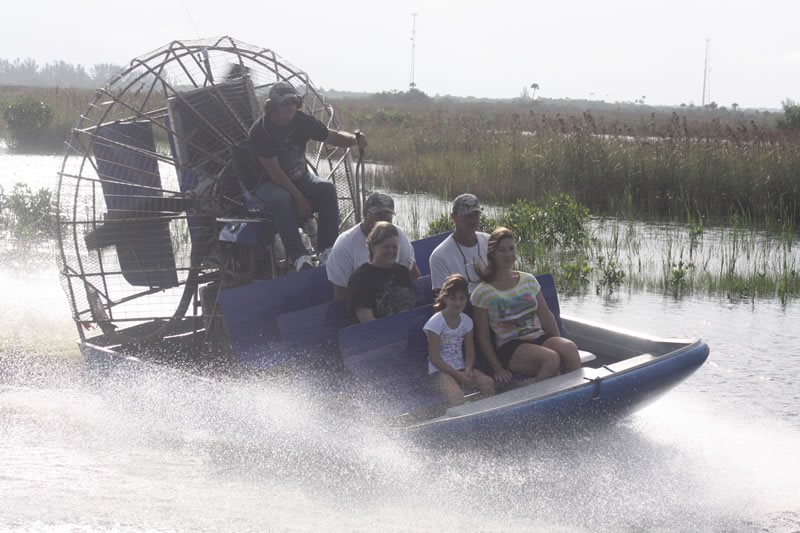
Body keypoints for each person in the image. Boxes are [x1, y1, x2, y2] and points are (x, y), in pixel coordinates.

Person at [248, 81, 368, 271]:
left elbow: (332, 136)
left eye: (293, 103)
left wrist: (355, 140)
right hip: (267, 183)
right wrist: (300, 199)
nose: (289, 108)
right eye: (284, 104)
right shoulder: (260, 132)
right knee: (282, 199)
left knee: (326, 188)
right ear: (271, 107)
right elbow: (276, 174)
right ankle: (299, 257)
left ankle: (327, 250)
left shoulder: (301, 121)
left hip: (299, 176)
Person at [471, 227, 582, 385]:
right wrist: (497, 368)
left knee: (570, 348)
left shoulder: (528, 280)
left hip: (538, 336)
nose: (508, 254)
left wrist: (556, 339)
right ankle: (538, 404)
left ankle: (577, 397)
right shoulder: (482, 292)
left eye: (511, 249)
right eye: (502, 250)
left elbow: (546, 315)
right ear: (492, 254)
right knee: (551, 358)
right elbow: (482, 336)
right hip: (511, 346)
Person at [326, 192, 421, 300]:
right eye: (379, 216)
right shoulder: (345, 244)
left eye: (387, 218)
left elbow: (413, 275)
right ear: (365, 213)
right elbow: (341, 295)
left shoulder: (398, 235)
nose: (382, 223)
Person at [424, 274, 495, 406]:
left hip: (462, 368)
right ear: (445, 298)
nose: (458, 302)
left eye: (462, 298)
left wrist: (467, 370)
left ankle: (487, 417)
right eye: (453, 298)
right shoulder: (435, 323)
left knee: (487, 383)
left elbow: (470, 352)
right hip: (440, 371)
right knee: (456, 395)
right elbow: (435, 358)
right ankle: (464, 425)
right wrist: (456, 374)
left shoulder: (467, 322)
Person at [347, 222, 416, 322]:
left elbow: (411, 308)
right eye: (386, 247)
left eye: (394, 247)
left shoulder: (403, 272)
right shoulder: (360, 278)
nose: (391, 251)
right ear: (373, 247)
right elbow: (366, 320)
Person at [429, 193, 490, 294]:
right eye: (467, 215)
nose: (473, 220)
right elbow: (442, 299)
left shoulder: (490, 241)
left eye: (476, 214)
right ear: (453, 217)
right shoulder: (439, 256)